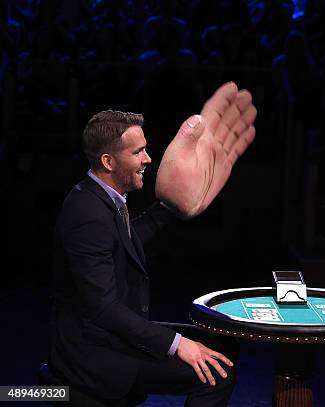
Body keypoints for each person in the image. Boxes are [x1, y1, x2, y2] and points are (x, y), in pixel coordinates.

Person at [49, 83, 256, 406]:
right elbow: (103, 308)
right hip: (94, 354)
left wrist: (172, 206)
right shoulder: (86, 214)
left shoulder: (104, 199)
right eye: (137, 152)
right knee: (218, 374)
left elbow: (127, 242)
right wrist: (177, 344)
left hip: (110, 337)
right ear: (108, 161)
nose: (148, 158)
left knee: (222, 345)